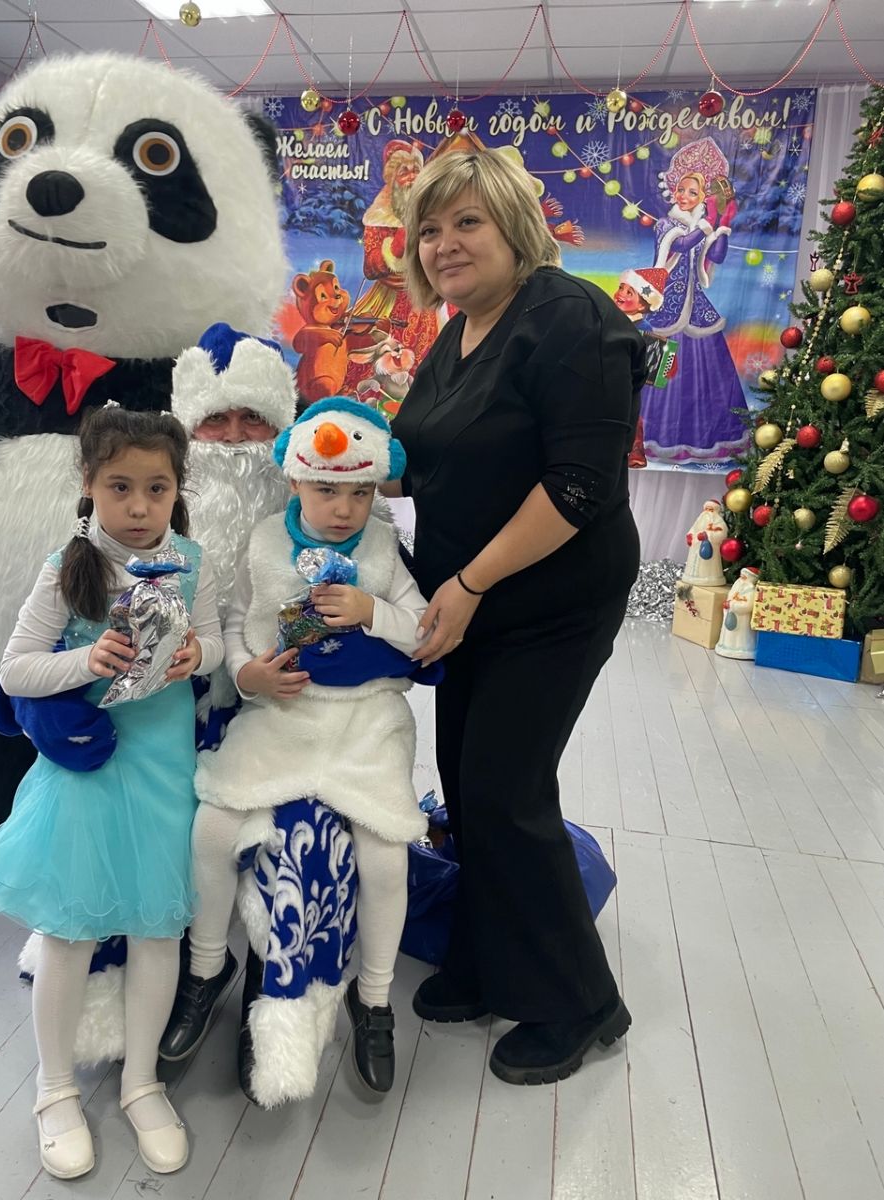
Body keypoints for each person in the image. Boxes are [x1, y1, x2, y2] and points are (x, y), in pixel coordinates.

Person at [390, 148, 643, 1085]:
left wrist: (467, 584)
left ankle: (580, 1003)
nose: (444, 244)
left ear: (514, 228)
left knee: (506, 792)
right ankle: (488, 959)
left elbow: (578, 485)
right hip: (476, 602)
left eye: (467, 222)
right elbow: (422, 461)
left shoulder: (570, 319)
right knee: (465, 790)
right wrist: (319, 468)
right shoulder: (458, 332)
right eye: (429, 229)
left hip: (549, 603)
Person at [0, 405, 224, 1180]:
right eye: (119, 487)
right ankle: (55, 1087)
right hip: (85, 773)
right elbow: (15, 670)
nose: (138, 506)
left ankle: (141, 1081)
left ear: (177, 489)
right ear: (89, 485)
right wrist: (86, 660)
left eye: (156, 488)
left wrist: (199, 655)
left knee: (157, 932)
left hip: (163, 773)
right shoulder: (67, 568)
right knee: (68, 935)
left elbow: (218, 643)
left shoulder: (192, 561)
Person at [163, 398, 430, 1096]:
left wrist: (375, 611)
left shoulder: (382, 547)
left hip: (366, 721)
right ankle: (206, 967)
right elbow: (235, 624)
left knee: (386, 855)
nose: (344, 509)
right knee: (212, 826)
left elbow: (423, 631)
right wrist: (246, 673)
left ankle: (374, 999)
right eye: (327, 489)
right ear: (295, 480)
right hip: (282, 713)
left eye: (360, 492)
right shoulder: (263, 542)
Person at [641, 137, 748, 464]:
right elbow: (684, 244)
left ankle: (704, 438)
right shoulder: (666, 225)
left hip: (696, 312)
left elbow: (716, 254)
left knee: (708, 376)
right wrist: (709, 220)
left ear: (703, 197)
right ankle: (648, 438)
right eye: (681, 190)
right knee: (656, 377)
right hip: (665, 311)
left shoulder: (701, 225)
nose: (684, 196)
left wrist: (724, 223)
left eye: (693, 192)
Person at [342, 139, 443, 397]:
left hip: (423, 295)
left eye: (415, 169)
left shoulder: (432, 211)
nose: (410, 176)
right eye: (403, 171)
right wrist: (393, 249)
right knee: (376, 348)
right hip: (387, 299)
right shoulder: (379, 215)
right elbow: (370, 267)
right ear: (392, 177)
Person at [612, 266, 678, 468]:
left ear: (642, 306)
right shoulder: (609, 319)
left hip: (628, 383)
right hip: (606, 377)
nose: (621, 294)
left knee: (632, 416)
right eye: (621, 288)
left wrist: (664, 363)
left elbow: (654, 359)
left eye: (629, 292)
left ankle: (635, 451)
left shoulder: (644, 329)